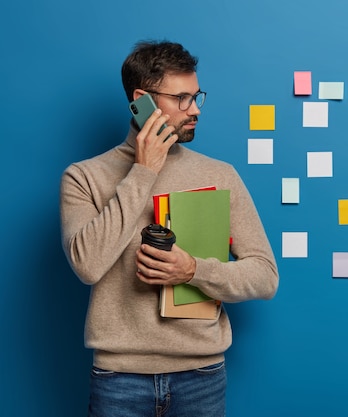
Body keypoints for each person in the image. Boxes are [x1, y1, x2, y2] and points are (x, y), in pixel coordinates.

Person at [60, 40, 279, 417]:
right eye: (181, 99)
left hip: (202, 377)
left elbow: (265, 276)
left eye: (196, 97)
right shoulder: (84, 177)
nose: (194, 110)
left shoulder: (218, 174)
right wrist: (144, 171)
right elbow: (88, 265)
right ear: (141, 100)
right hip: (119, 379)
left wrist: (194, 270)